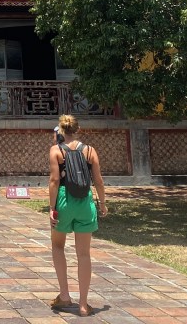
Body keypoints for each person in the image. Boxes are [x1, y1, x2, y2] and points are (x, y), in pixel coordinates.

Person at [48, 114, 107, 317]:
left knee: (57, 246)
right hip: (85, 201)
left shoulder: (56, 151)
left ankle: (64, 295)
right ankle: (83, 304)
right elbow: (98, 180)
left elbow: (54, 181)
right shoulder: (90, 151)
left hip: (64, 200)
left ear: (61, 130)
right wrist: (102, 203)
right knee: (84, 254)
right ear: (78, 130)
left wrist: (51, 207)